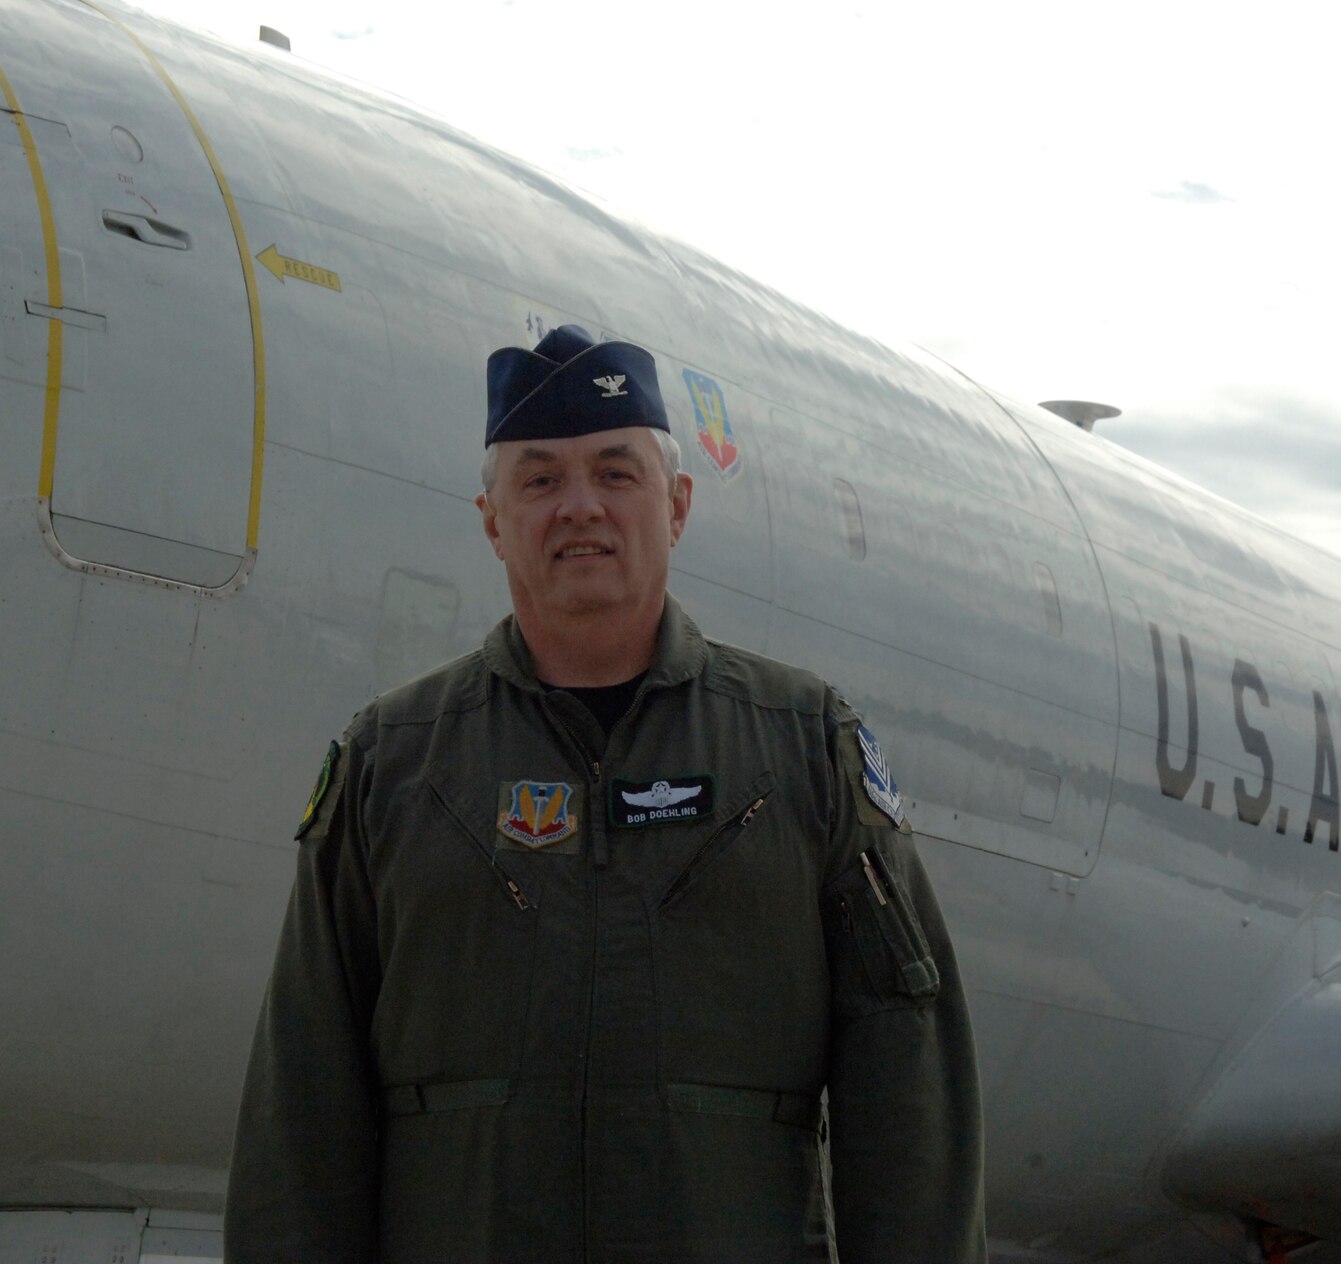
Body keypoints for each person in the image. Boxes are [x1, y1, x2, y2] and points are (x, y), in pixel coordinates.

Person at [226, 325, 986, 1262]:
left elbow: (907, 1089)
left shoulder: (800, 749)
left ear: (676, 506)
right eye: (539, 480)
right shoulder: (393, 761)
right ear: (492, 518)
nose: (579, 506)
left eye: (615, 474)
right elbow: (303, 1102)